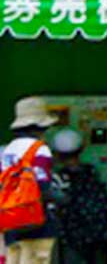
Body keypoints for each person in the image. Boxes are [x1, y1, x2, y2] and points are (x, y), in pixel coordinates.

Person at [2, 98, 58, 264]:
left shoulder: (8, 149)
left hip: (11, 218)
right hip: (35, 219)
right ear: (40, 127)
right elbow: (43, 184)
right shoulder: (40, 149)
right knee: (37, 258)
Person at [46, 129, 107, 264]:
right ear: (81, 149)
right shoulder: (92, 172)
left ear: (56, 153)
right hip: (98, 234)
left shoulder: (58, 177)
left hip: (72, 236)